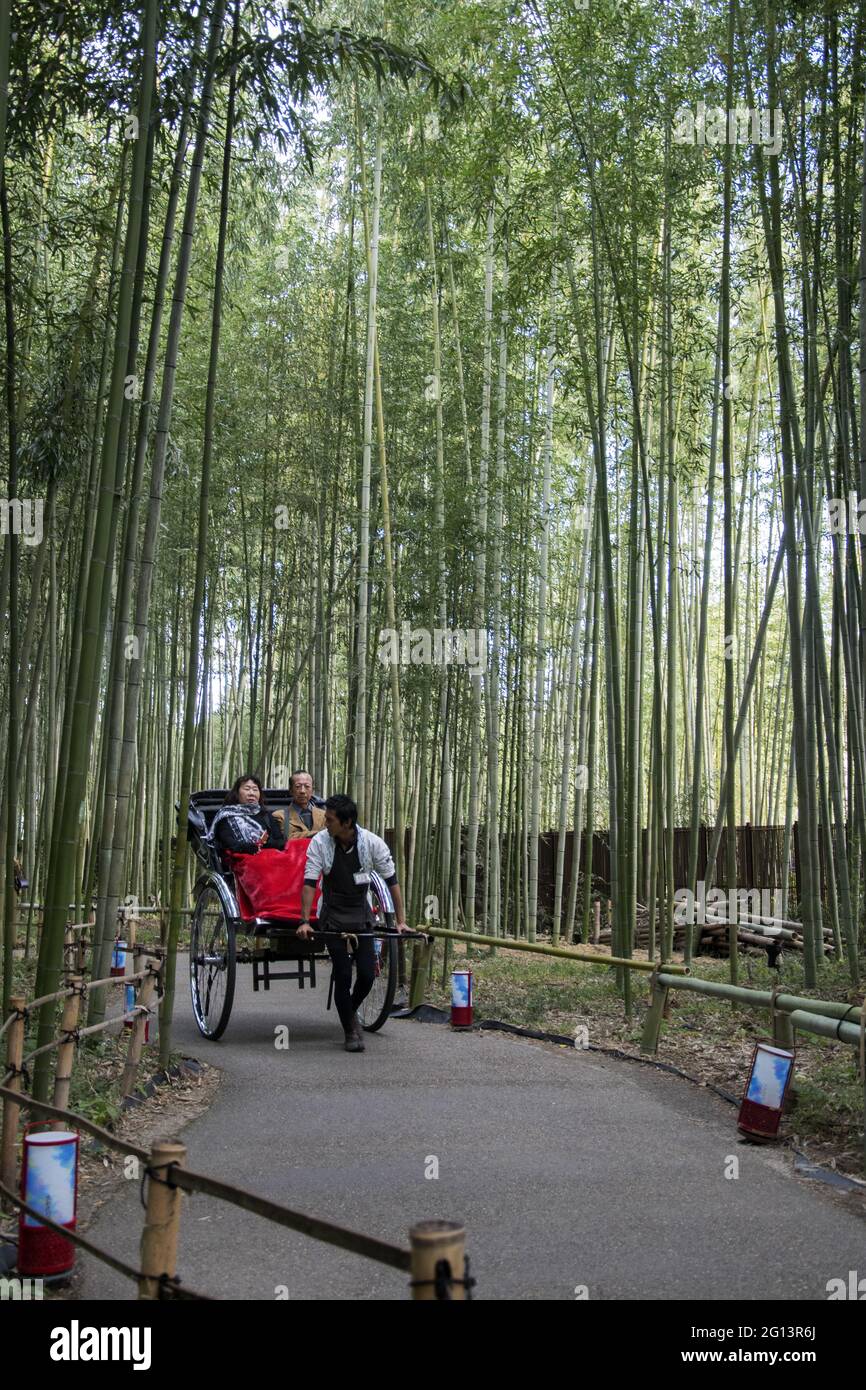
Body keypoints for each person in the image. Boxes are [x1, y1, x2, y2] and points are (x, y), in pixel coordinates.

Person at [298, 794, 409, 1052]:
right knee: (343, 974)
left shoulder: (372, 843)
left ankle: (348, 1010)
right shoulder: (320, 843)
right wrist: (305, 921)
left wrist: (401, 921)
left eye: (330, 819)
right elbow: (310, 883)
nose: (325, 823)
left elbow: (392, 882)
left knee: (368, 975)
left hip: (361, 913)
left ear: (347, 823)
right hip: (333, 915)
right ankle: (350, 1030)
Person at [210, 775, 287, 856]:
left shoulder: (265, 815)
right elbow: (228, 843)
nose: (251, 793)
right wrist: (246, 848)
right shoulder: (226, 815)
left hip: (271, 857)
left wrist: (266, 844)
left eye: (255, 789)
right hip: (241, 861)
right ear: (237, 792)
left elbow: (279, 840)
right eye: (247, 789)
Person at [284, 770, 326, 839]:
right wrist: (320, 833)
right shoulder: (280, 816)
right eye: (298, 786)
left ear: (312, 790)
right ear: (291, 790)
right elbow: (289, 837)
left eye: (307, 786)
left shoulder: (324, 815)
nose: (302, 791)